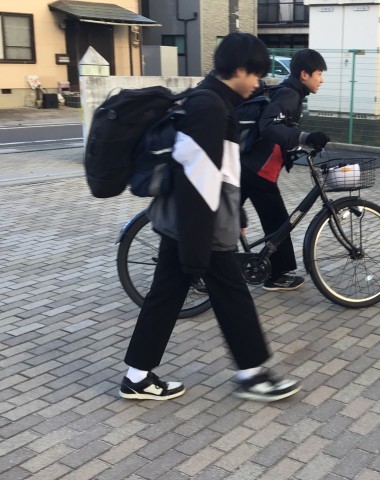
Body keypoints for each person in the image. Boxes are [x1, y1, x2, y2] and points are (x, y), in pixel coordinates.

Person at [119, 33, 301, 402]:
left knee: (165, 297)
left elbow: (218, 172)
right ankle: (253, 374)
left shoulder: (212, 100)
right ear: (239, 70)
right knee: (232, 297)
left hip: (190, 222)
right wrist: (197, 248)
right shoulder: (210, 108)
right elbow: (197, 181)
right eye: (256, 74)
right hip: (199, 224)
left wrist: (237, 210)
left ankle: (137, 376)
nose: (258, 83)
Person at [240, 48, 331, 291]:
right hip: (257, 171)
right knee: (278, 222)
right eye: (319, 73)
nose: (322, 79)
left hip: (248, 166)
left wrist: (296, 147)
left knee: (224, 217)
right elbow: (269, 126)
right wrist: (305, 137)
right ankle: (276, 275)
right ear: (304, 74)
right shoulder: (290, 94)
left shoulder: (289, 92)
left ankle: (199, 270)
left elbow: (280, 131)